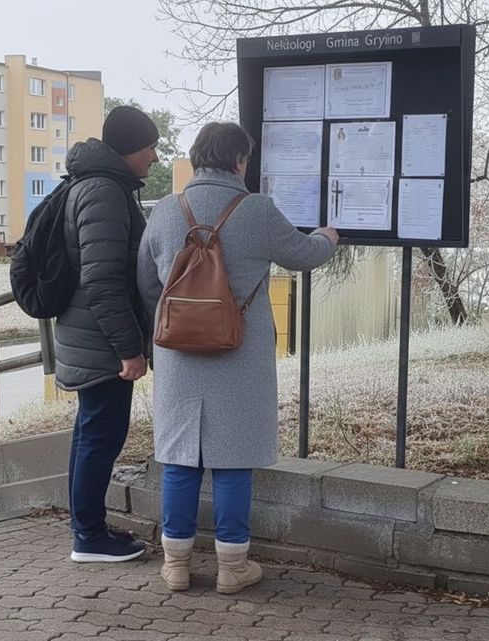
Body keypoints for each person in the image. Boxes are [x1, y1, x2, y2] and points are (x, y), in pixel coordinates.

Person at [137, 122, 338, 593]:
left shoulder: (165, 210)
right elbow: (304, 255)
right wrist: (328, 236)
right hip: (239, 353)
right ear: (240, 161)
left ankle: (176, 566)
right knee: (232, 460)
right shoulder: (257, 210)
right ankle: (232, 568)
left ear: (196, 156)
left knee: (180, 459)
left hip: (178, 353)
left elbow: (147, 281)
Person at [56, 106, 158, 563]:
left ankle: (88, 528)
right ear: (130, 149)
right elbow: (102, 279)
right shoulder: (104, 191)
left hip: (89, 335)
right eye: (150, 147)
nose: (155, 157)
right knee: (101, 436)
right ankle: (88, 538)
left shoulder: (95, 183)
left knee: (90, 434)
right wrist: (129, 349)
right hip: (100, 341)